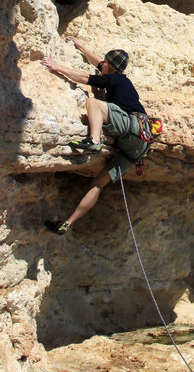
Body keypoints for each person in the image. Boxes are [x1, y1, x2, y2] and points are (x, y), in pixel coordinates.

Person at [41, 37, 150, 235]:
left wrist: (57, 67)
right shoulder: (117, 76)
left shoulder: (116, 79)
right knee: (98, 184)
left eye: (106, 62)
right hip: (139, 145)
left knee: (93, 103)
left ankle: (94, 140)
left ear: (111, 66)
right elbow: (97, 62)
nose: (102, 64)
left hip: (132, 126)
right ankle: (67, 223)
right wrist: (80, 46)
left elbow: (85, 78)